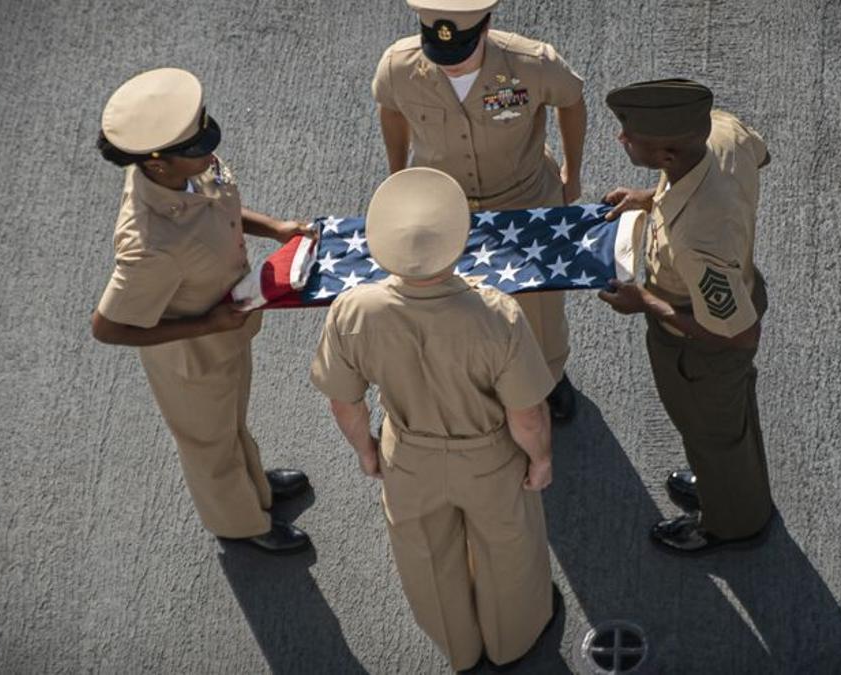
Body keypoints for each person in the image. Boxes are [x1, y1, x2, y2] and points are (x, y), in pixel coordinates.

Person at [311, 168, 558, 671]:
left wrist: (367, 452)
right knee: (508, 550)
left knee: (425, 557)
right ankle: (511, 643)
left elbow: (345, 402)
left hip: (410, 455)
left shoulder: (353, 310)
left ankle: (460, 651)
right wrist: (540, 459)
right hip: (488, 455)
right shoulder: (498, 316)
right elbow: (526, 413)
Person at [90, 67, 312, 555]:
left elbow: (218, 208)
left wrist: (274, 227)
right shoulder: (148, 243)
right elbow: (106, 327)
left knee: (231, 421)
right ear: (157, 163)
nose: (210, 153)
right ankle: (241, 522)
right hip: (191, 358)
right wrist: (206, 324)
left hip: (228, 328)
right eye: (195, 151)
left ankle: (255, 485)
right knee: (208, 445)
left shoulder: (187, 164)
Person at [372, 0, 587, 421]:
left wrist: (572, 171)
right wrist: (397, 178)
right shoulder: (398, 65)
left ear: (486, 27)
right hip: (442, 206)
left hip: (523, 198)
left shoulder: (531, 62)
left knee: (537, 306)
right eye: (438, 53)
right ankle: (480, 381)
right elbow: (391, 111)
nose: (449, 64)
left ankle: (549, 377)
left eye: (460, 52)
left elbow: (572, 100)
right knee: (451, 302)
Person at [597, 79, 774, 554]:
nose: (622, 140)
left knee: (713, 435)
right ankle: (725, 483)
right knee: (727, 428)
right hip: (733, 294)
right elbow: (758, 157)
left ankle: (732, 522)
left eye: (630, 139)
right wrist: (650, 197)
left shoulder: (698, 240)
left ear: (669, 155)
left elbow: (737, 334)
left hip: (702, 347)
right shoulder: (719, 131)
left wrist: (645, 303)